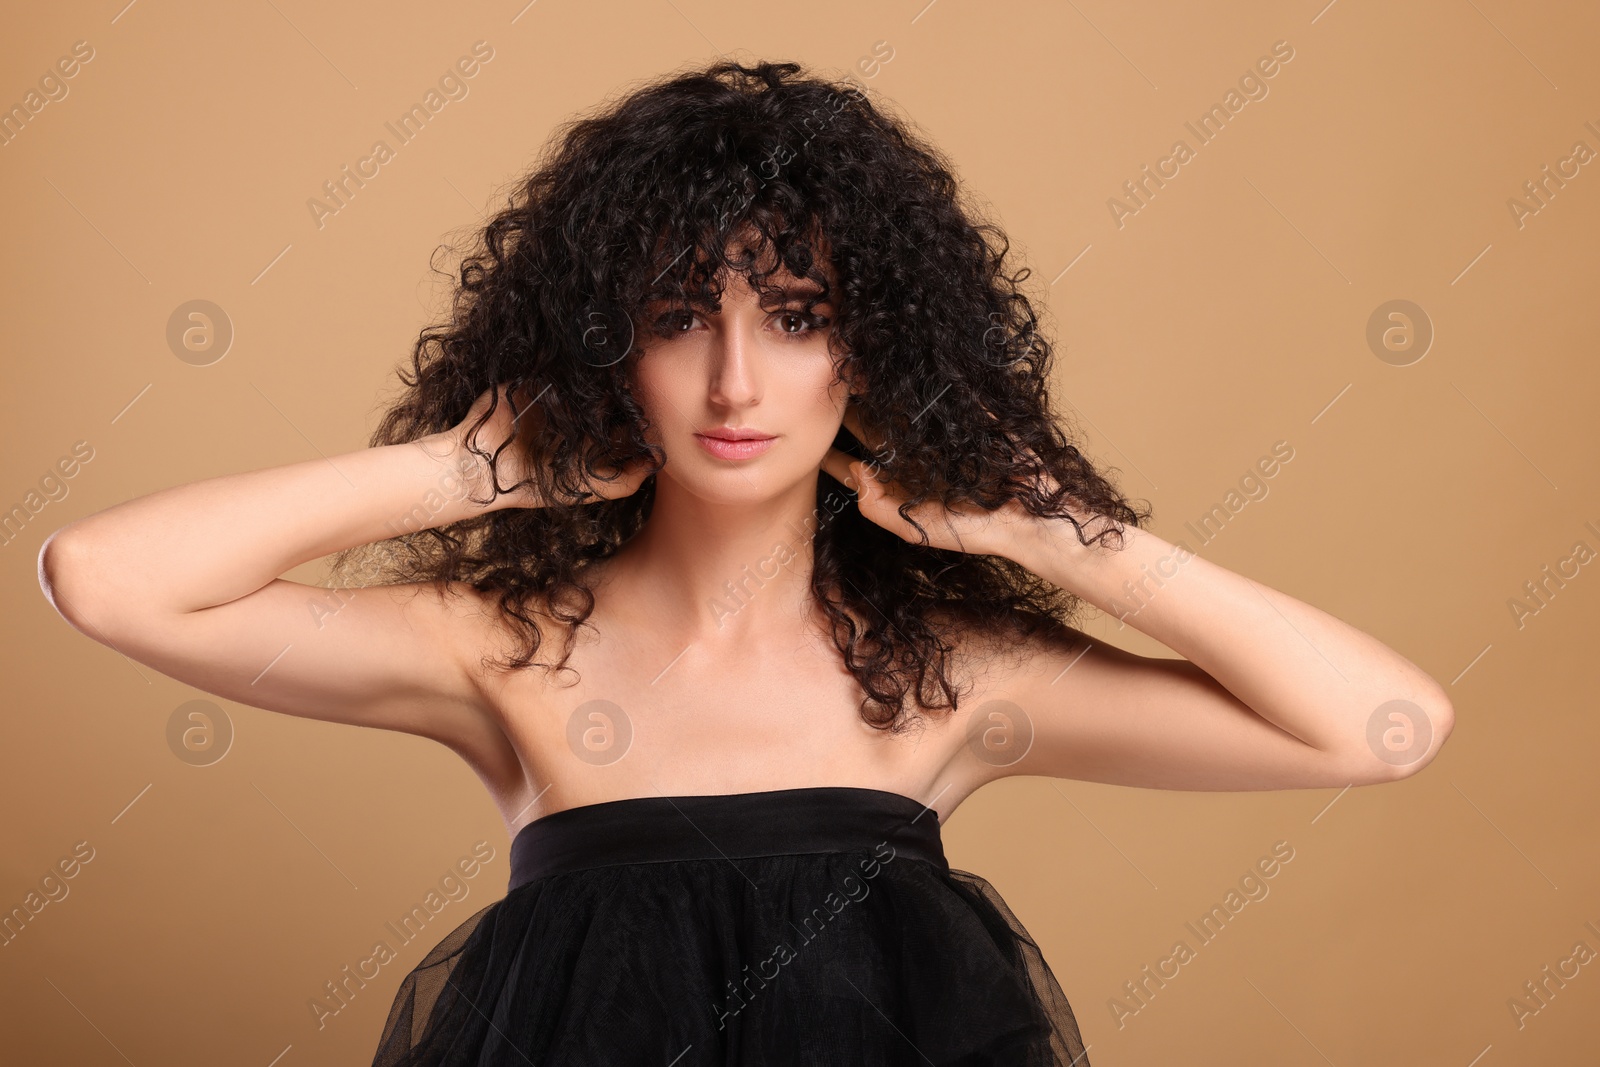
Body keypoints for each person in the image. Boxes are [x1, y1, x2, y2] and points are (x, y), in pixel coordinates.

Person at [37, 59, 1453, 1066]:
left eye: (792, 316)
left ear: (875, 346)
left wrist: (1044, 529)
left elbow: (1387, 728)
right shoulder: (499, 648)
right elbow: (106, 579)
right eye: (675, 318)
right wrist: (461, 469)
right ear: (606, 347)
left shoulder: (955, 675)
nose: (732, 381)